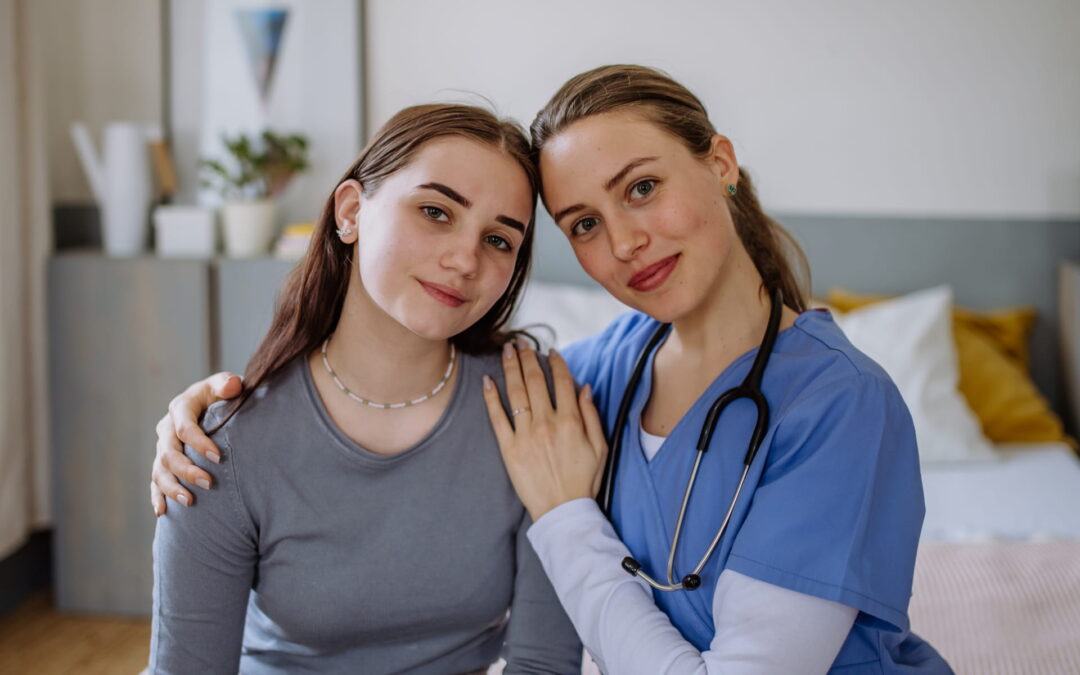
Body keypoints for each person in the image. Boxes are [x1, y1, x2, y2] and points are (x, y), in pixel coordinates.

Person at [154, 66, 952, 674]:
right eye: (584, 223)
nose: (627, 241)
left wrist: (569, 517)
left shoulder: (838, 406)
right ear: (351, 209)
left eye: (643, 187)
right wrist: (211, 413)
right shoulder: (589, 379)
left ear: (722, 163)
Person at [147, 103, 582, 674]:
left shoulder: (534, 410)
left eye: (500, 240)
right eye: (436, 211)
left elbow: (544, 664)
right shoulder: (225, 443)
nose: (464, 259)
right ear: (351, 212)